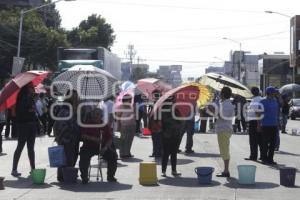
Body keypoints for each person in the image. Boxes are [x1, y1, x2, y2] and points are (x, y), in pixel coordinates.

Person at [79, 108, 118, 184]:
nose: (96, 117)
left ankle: (110, 176)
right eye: (95, 115)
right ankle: (84, 176)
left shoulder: (104, 125)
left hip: (102, 146)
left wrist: (105, 147)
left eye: (98, 115)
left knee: (113, 156)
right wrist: (93, 138)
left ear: (101, 116)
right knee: (84, 157)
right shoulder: (87, 124)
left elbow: (110, 139)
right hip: (88, 146)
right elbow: (83, 135)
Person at [53, 90, 80, 182]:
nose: (77, 98)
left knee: (71, 155)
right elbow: (64, 124)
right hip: (67, 138)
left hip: (73, 137)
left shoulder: (72, 108)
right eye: (75, 97)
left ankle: (67, 173)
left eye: (77, 96)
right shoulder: (66, 109)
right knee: (67, 157)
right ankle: (65, 175)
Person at [207, 87, 235, 177]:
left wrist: (213, 110)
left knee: (224, 151)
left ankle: (226, 171)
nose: (219, 95)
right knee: (223, 150)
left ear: (223, 94)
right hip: (223, 129)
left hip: (224, 129)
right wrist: (211, 110)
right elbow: (217, 115)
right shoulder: (223, 103)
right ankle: (225, 170)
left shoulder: (227, 105)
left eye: (220, 93)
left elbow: (222, 116)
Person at [11, 84, 38, 177]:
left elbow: (32, 110)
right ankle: (14, 169)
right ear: (27, 88)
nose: (33, 88)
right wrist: (30, 110)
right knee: (21, 146)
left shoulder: (30, 97)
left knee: (30, 148)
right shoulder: (22, 97)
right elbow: (21, 111)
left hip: (30, 124)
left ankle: (33, 168)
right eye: (31, 87)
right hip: (24, 125)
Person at [161, 97, 183, 177]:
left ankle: (167, 171)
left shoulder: (164, 110)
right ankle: (169, 171)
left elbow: (180, 122)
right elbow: (180, 122)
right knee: (169, 153)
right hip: (170, 134)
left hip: (170, 134)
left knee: (170, 153)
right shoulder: (167, 110)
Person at [258, 86, 280, 165]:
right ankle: (264, 158)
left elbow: (276, 113)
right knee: (265, 143)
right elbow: (259, 114)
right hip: (265, 125)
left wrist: (278, 123)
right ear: (269, 93)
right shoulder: (262, 101)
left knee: (273, 143)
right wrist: (259, 125)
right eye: (274, 92)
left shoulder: (275, 101)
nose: (275, 94)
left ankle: (270, 159)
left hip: (274, 125)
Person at [245, 87, 263, 161]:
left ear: (252, 93)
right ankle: (262, 155)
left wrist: (258, 125)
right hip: (257, 122)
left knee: (253, 141)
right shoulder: (260, 99)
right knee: (260, 140)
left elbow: (257, 113)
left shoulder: (256, 100)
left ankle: (253, 156)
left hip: (255, 122)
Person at [116, 94, 136, 158]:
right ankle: (122, 153)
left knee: (130, 139)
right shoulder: (120, 106)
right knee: (123, 140)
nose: (131, 100)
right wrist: (118, 126)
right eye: (130, 99)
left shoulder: (131, 106)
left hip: (132, 125)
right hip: (124, 125)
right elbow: (118, 117)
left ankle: (127, 152)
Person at [148, 90, 162, 158]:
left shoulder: (161, 103)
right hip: (153, 124)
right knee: (155, 139)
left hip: (158, 124)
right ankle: (155, 152)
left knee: (158, 139)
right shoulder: (153, 103)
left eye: (155, 95)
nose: (154, 97)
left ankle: (159, 153)